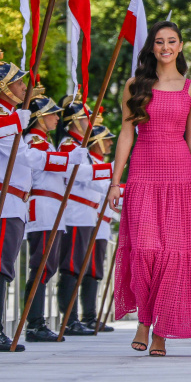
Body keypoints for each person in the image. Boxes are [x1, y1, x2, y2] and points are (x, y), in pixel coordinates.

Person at [109, 20, 191, 357]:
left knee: (172, 255)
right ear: (152, 47)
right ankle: (144, 317)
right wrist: (116, 181)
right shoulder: (135, 85)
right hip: (143, 173)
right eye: (160, 41)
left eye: (172, 41)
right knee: (144, 250)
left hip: (180, 177)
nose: (166, 47)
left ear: (181, 46)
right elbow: (127, 133)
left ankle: (160, 330)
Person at [0, 41, 81, 353]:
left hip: (14, 200)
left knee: (2, 266)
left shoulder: (11, 117)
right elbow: (22, 158)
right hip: (1, 199)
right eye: (18, 82)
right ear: (3, 88)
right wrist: (69, 158)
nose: (23, 87)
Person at [56, 95, 111, 337]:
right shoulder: (69, 145)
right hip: (76, 213)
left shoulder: (78, 147)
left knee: (81, 266)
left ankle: (78, 317)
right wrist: (112, 169)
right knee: (72, 267)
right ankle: (69, 319)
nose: (91, 123)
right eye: (86, 119)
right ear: (76, 122)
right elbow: (79, 174)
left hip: (86, 213)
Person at [22, 85, 74, 343]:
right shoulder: (33, 140)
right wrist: (70, 159)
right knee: (40, 266)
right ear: (39, 117)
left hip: (53, 209)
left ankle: (37, 321)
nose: (57, 118)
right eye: (52, 113)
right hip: (42, 207)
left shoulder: (46, 142)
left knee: (48, 266)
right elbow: (37, 162)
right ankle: (34, 323)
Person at [80, 122, 117, 332]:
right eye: (106, 139)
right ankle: (86, 315)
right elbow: (103, 187)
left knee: (95, 270)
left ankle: (90, 314)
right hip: (91, 220)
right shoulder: (92, 163)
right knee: (88, 268)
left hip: (101, 222)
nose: (110, 143)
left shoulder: (98, 162)